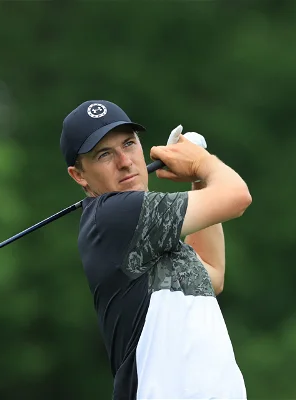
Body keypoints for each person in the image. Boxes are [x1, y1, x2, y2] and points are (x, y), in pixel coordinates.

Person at [60, 100, 252, 400]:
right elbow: (237, 197)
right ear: (79, 175)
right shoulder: (113, 216)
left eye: (129, 144)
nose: (125, 162)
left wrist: (198, 178)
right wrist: (202, 162)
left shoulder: (147, 233)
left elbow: (211, 274)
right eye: (104, 154)